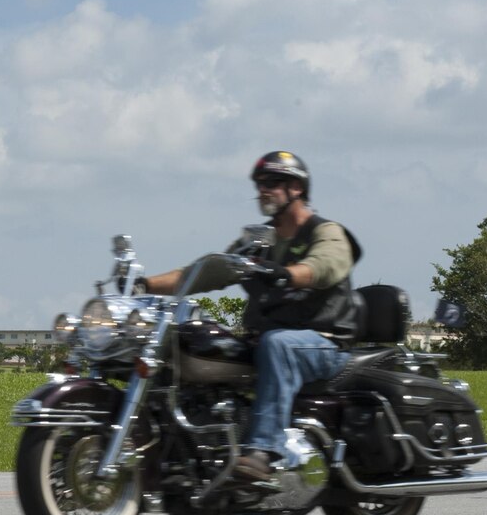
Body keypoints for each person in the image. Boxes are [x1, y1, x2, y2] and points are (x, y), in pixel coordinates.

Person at [139, 150, 362, 492]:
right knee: (193, 342)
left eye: (273, 183)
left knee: (278, 344)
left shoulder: (326, 232)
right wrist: (146, 284)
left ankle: (262, 450)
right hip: (270, 339)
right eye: (260, 184)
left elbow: (325, 265)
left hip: (323, 340)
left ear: (296, 188)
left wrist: (287, 273)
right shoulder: (257, 241)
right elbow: (204, 273)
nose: (264, 190)